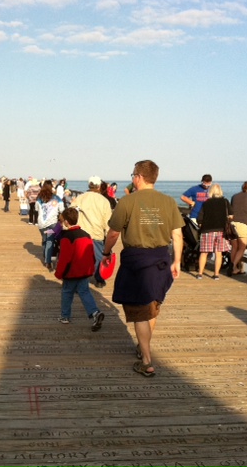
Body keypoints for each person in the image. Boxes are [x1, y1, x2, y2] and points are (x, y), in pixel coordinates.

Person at [101, 160, 183, 377]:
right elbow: (177, 234)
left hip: (137, 262)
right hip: (161, 259)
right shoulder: (168, 202)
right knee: (152, 306)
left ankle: (146, 361)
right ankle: (143, 347)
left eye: (133, 175)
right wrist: (177, 261)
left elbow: (113, 233)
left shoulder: (127, 202)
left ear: (138, 176)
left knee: (140, 313)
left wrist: (106, 253)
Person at [55, 207, 105, 331]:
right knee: (84, 292)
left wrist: (59, 273)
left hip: (71, 272)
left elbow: (64, 258)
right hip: (84, 271)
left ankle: (65, 316)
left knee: (67, 292)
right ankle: (95, 313)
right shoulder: (86, 235)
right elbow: (92, 254)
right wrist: (91, 268)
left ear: (66, 222)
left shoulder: (66, 237)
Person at [71, 176, 112, 288]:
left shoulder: (80, 198)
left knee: (79, 258)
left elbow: (70, 213)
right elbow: (108, 221)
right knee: (99, 259)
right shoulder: (104, 201)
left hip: (80, 234)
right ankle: (99, 280)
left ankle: (77, 282)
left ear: (89, 185)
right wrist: (108, 237)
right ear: (99, 186)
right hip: (96, 234)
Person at [196, 184, 232, 280]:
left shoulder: (206, 202)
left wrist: (201, 224)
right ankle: (216, 274)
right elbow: (231, 215)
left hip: (207, 230)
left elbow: (200, 218)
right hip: (221, 230)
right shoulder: (225, 202)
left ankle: (200, 273)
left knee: (204, 252)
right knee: (218, 253)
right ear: (220, 191)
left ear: (210, 191)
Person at [35, 180, 64, 271]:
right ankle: (48, 261)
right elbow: (62, 210)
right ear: (51, 187)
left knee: (45, 240)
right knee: (50, 241)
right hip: (52, 224)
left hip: (41, 224)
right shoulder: (57, 198)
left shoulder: (39, 199)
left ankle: (46, 256)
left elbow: (36, 209)